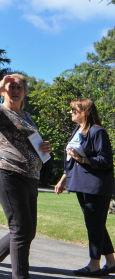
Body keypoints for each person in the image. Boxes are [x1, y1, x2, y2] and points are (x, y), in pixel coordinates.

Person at [0, 74, 52, 279]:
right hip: (7, 172)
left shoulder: (27, 116)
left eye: (19, 88)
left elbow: (32, 142)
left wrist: (45, 147)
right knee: (21, 229)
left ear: (24, 92)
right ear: (4, 90)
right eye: (11, 87)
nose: (15, 91)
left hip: (30, 177)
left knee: (27, 230)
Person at [55, 99, 115, 276]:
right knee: (96, 224)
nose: (71, 112)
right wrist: (63, 179)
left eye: (74, 109)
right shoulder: (77, 131)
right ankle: (111, 262)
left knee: (94, 225)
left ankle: (94, 264)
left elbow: (105, 161)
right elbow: (72, 158)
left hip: (95, 185)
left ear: (85, 112)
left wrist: (82, 159)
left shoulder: (97, 132)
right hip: (80, 183)